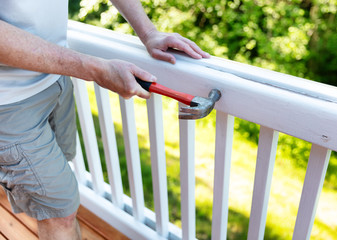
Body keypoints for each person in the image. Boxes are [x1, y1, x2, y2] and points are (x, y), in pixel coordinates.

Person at [0, 1, 209, 239]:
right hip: (7, 104)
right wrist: (97, 69)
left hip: (56, 80)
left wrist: (149, 33)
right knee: (60, 213)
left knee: (60, 185)